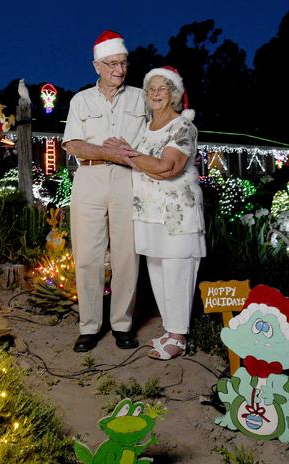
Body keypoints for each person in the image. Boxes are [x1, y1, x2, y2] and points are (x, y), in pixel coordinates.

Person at [104, 66, 206, 360]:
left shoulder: (183, 127)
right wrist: (130, 154)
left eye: (163, 88)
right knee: (158, 271)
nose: (156, 94)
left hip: (177, 214)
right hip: (147, 212)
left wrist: (130, 155)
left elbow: (166, 167)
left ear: (174, 94)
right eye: (151, 89)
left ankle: (179, 336)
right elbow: (143, 163)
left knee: (177, 271)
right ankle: (169, 330)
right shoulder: (145, 127)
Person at [62, 30, 147, 352]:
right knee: (87, 256)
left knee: (127, 255)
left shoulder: (141, 98)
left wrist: (135, 155)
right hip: (90, 178)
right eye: (111, 64)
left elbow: (158, 135)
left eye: (123, 63)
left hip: (129, 179)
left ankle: (123, 324)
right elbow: (72, 144)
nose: (119, 70)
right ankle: (89, 326)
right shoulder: (81, 100)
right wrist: (106, 152)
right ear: (96, 65)